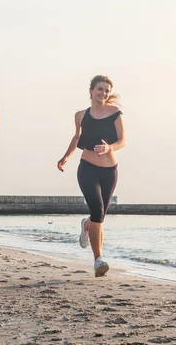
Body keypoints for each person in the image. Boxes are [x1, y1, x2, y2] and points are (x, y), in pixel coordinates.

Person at [57, 75, 125, 277]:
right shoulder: (80, 116)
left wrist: (109, 147)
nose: (103, 93)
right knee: (97, 211)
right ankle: (98, 260)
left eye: (107, 90)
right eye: (100, 89)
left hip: (110, 171)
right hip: (87, 169)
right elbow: (77, 136)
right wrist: (66, 157)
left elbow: (122, 140)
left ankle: (86, 225)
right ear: (91, 91)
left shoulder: (115, 113)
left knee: (99, 216)